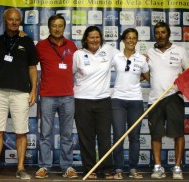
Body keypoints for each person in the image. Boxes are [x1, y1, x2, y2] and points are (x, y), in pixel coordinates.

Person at [0, 8, 38, 180]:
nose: (14, 22)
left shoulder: (27, 41)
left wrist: (33, 90)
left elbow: (32, 68)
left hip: (21, 92)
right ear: (5, 21)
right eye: (10, 19)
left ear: (20, 21)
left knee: (21, 131)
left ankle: (21, 168)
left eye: (17, 19)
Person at [34, 14, 78, 179]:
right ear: (49, 28)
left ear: (64, 27)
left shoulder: (72, 46)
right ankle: (44, 166)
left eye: (60, 25)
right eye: (54, 25)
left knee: (67, 134)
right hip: (47, 96)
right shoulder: (41, 46)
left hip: (67, 96)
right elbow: (30, 64)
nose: (57, 28)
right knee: (45, 133)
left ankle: (67, 166)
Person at [73, 26, 119, 179]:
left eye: (97, 37)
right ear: (86, 39)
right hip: (82, 100)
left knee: (105, 136)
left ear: (101, 38)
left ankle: (106, 168)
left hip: (103, 100)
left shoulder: (109, 50)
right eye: (91, 37)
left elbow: (126, 58)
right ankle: (89, 169)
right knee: (86, 137)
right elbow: (70, 73)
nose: (94, 40)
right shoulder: (78, 54)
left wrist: (142, 56)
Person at [147, 22, 189, 180]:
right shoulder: (149, 53)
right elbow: (145, 74)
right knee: (156, 134)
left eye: (163, 32)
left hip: (174, 97)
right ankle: (158, 167)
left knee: (178, 133)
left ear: (168, 33)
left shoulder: (180, 51)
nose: (160, 35)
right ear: (154, 34)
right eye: (157, 32)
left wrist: (182, 83)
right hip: (155, 99)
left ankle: (177, 168)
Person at [111, 28, 150, 180]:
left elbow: (147, 76)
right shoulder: (116, 57)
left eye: (134, 38)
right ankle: (118, 168)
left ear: (137, 40)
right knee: (119, 135)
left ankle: (133, 168)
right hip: (118, 100)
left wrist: (134, 81)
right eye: (128, 37)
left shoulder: (141, 59)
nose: (131, 40)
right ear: (123, 40)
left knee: (134, 136)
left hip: (136, 100)